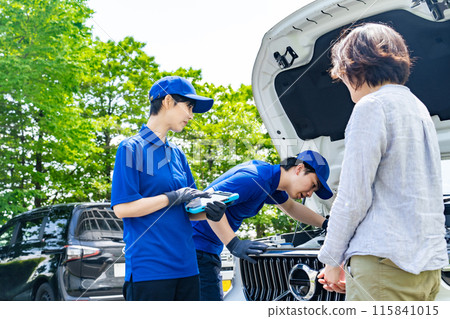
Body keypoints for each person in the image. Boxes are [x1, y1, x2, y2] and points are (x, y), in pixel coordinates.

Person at [317, 23, 448, 301]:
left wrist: (331, 261)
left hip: (383, 263)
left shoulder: (371, 107)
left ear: (354, 68)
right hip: (425, 269)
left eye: (341, 75)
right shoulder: (418, 108)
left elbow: (353, 197)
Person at [111, 76, 227, 301]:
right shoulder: (131, 148)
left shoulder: (177, 154)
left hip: (188, 267)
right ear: (167, 101)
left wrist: (207, 212)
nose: (191, 115)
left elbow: (187, 208)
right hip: (150, 269)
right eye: (189, 106)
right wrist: (171, 197)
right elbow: (123, 209)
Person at [192, 150, 333, 300]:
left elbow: (291, 208)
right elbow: (208, 204)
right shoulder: (255, 178)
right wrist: (234, 244)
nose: (310, 194)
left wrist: (326, 224)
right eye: (313, 185)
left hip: (204, 249)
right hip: (195, 248)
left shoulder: (271, 183)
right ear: (299, 168)